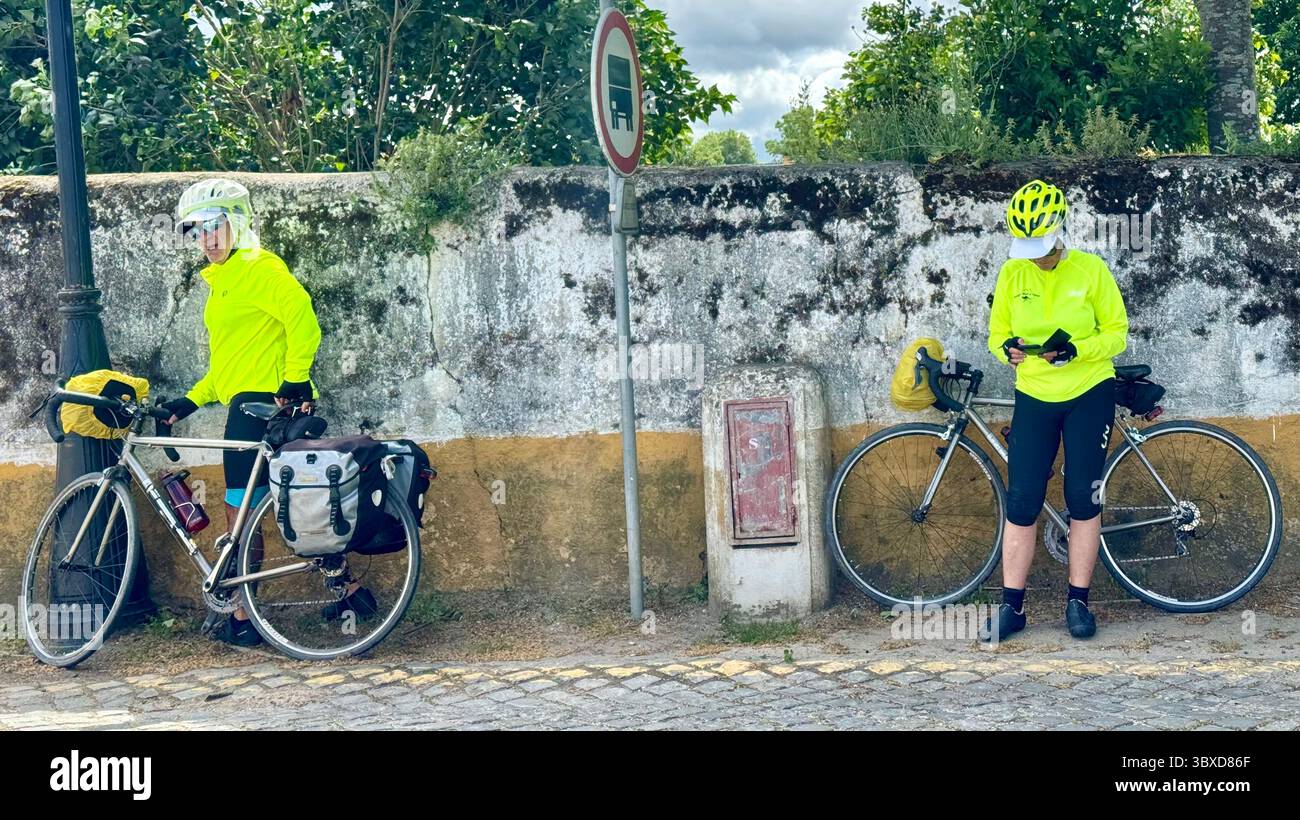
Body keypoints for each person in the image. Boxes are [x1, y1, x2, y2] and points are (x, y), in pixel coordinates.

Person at [163, 179, 369, 645]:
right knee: (288, 502)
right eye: (195, 231)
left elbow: (303, 317)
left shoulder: (258, 266)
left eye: (214, 227)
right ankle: (348, 590)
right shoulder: (222, 286)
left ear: (236, 222)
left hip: (267, 404)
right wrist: (190, 400)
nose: (206, 239)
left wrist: (295, 377)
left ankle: (243, 617)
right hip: (243, 402)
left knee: (246, 513)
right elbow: (227, 367)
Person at [980, 179, 1129, 642]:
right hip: (1035, 395)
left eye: (1041, 246)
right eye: (1027, 247)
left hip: (1088, 391)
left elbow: (1117, 334)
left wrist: (1077, 352)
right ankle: (1013, 609)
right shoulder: (1013, 274)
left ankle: (1078, 603)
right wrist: (1009, 352)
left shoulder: (1090, 270)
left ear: (1060, 230)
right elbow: (995, 335)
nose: (1035, 255)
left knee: (1083, 500)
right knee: (1021, 503)